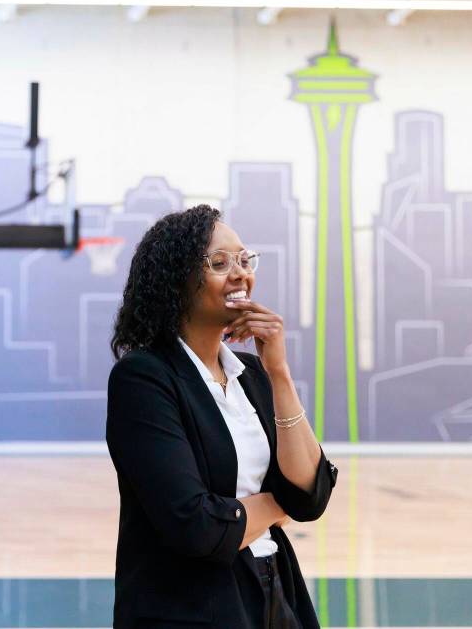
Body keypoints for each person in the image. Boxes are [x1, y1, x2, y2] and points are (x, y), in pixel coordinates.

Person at [106, 204, 338, 628]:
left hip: (276, 591)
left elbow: (310, 495)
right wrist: (276, 504)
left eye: (245, 260)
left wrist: (279, 373)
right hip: (193, 608)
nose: (240, 274)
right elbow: (195, 527)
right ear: (178, 280)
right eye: (219, 263)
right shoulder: (143, 378)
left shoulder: (252, 375)